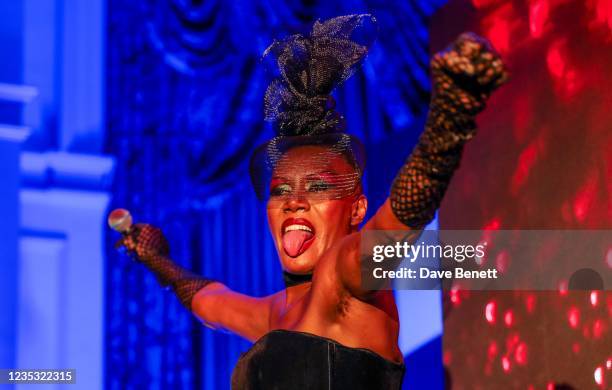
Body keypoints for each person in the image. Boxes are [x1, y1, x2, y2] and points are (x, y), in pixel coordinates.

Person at [113, 14, 507, 389]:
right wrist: (155, 258)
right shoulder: (273, 315)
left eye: (317, 188)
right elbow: (208, 301)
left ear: (355, 209)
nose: (294, 202)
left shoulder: (345, 275)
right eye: (281, 190)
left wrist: (448, 122)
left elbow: (397, 223)